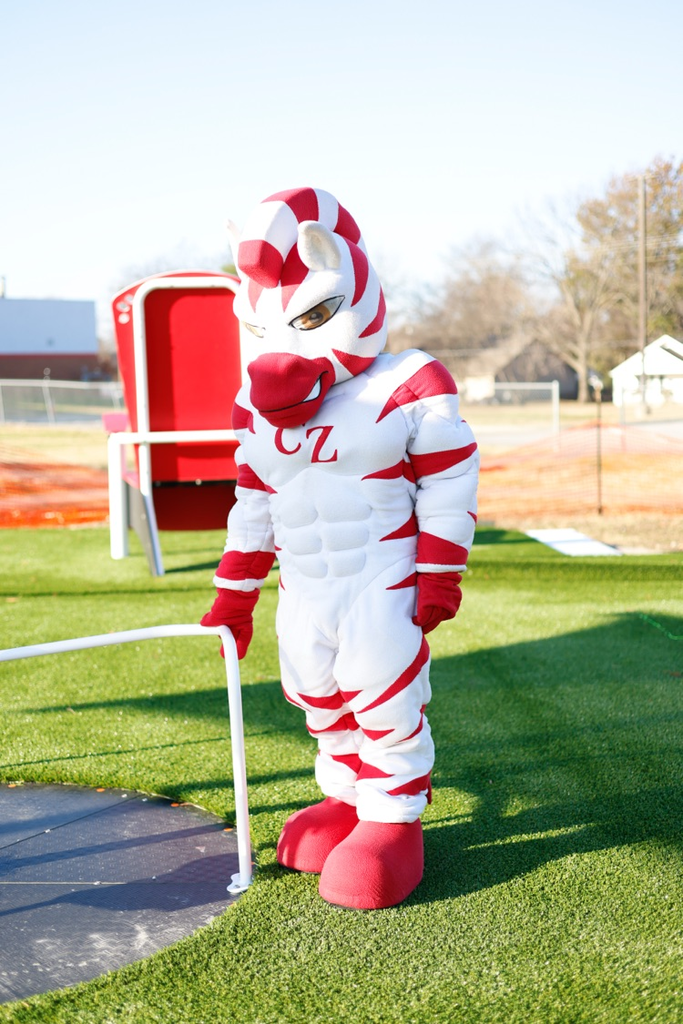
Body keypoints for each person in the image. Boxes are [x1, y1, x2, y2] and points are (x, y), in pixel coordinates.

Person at [202, 187, 479, 909]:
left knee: (382, 696)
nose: (284, 346)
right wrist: (234, 594)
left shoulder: (408, 382)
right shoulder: (249, 407)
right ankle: (346, 803)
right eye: (265, 329)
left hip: (379, 572)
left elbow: (449, 487)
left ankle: (392, 825)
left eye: (311, 317)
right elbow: (255, 501)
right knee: (317, 697)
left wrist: (438, 577)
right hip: (305, 585)